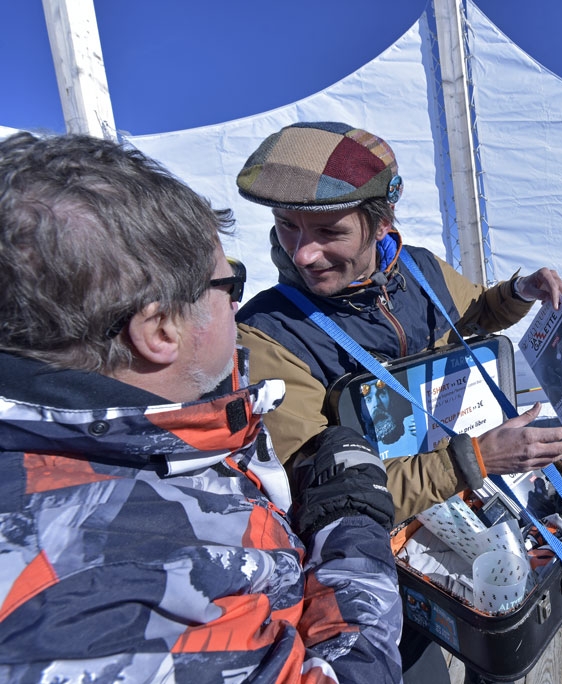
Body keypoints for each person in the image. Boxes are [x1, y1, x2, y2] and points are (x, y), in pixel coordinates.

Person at [0, 133, 402, 681]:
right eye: (226, 283)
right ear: (160, 328)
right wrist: (351, 528)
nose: (239, 301)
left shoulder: (132, 425)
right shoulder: (101, 602)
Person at [234, 121, 562, 680]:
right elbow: (323, 502)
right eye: (286, 226)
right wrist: (475, 459)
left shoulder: (418, 268)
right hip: (379, 553)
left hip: (471, 501)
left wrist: (517, 294)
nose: (302, 253)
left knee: (499, 646)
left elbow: (472, 315)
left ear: (382, 223)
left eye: (329, 230)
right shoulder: (269, 333)